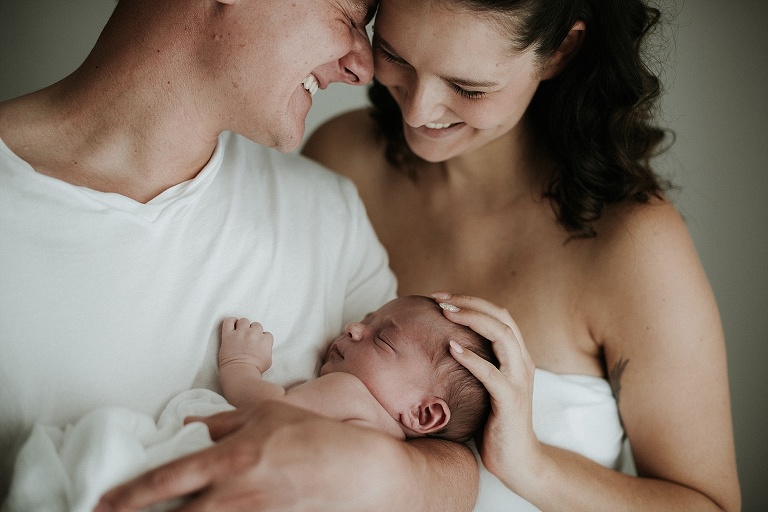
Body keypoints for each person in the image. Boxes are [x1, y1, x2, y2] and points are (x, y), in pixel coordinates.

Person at [0, 0, 483, 511]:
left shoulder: (326, 210)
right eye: (347, 15)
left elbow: (447, 462)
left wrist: (388, 476)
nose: (364, 66)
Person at [302, 0, 742, 510]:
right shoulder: (342, 159)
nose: (419, 111)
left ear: (560, 50)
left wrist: (531, 465)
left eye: (468, 87)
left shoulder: (631, 246)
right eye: (395, 56)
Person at [5, 296, 495, 512]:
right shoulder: (390, 444)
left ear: (425, 414)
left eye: (382, 340)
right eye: (366, 318)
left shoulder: (352, 396)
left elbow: (268, 407)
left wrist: (242, 365)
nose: (353, 328)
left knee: (105, 448)